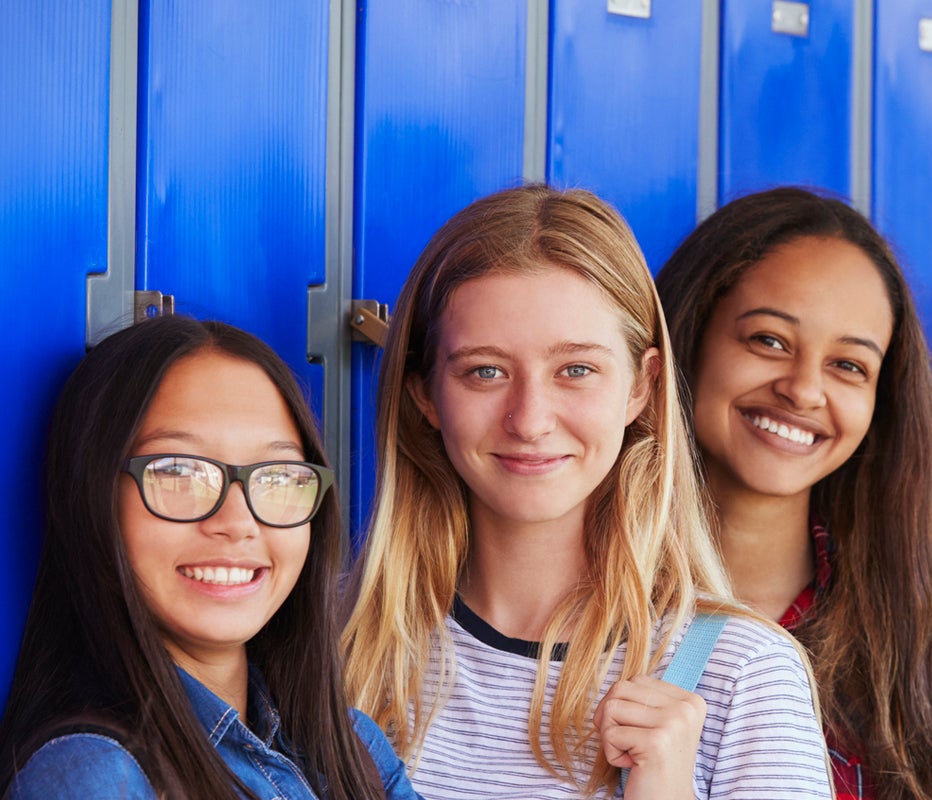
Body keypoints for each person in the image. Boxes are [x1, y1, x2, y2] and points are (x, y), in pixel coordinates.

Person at [342, 184, 832, 799]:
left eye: (576, 370)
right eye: (485, 371)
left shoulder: (743, 675)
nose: (530, 419)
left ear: (641, 386)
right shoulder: (338, 648)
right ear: (423, 393)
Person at [655, 186, 932, 799]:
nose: (804, 390)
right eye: (768, 340)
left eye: (848, 366)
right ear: (690, 336)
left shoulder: (917, 653)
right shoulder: (571, 594)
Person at [0, 316, 416, 798]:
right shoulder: (98, 778)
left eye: (278, 475)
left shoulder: (351, 746)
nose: (238, 522)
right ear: (91, 499)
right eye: (178, 471)